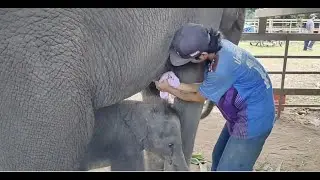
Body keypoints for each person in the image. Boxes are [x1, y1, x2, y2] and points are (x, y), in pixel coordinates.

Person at [155, 23, 276, 171]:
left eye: (189, 59)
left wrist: (168, 89)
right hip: (244, 111)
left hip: (253, 119)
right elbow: (207, 87)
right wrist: (176, 85)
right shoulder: (221, 47)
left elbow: (199, 97)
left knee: (229, 168)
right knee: (218, 156)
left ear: (203, 55)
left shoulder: (221, 67)